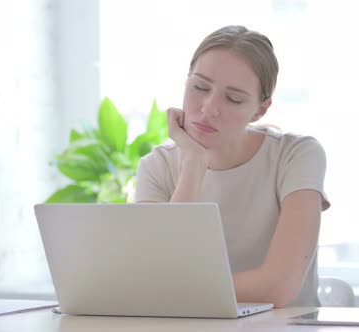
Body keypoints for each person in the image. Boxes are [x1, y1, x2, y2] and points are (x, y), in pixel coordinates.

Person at [135, 25, 330, 308]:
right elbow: (156, 275)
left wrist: (173, 289)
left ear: (260, 109)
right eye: (200, 87)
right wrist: (194, 162)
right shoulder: (158, 166)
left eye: (233, 98)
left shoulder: (296, 155)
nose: (209, 107)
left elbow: (278, 288)